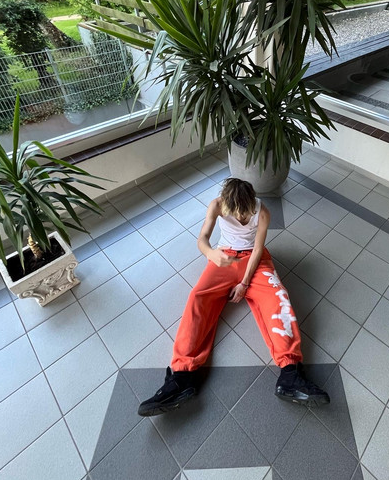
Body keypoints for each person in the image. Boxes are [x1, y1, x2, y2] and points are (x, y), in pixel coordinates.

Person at [138, 178, 330, 417]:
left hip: (255, 260)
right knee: (197, 298)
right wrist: (211, 254)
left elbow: (258, 249)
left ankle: (291, 374)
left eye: (245, 212)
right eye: (236, 212)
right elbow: (202, 238)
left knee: (278, 298)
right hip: (224, 257)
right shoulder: (216, 205)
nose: (241, 217)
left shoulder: (262, 211)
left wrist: (244, 283)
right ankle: (182, 377)